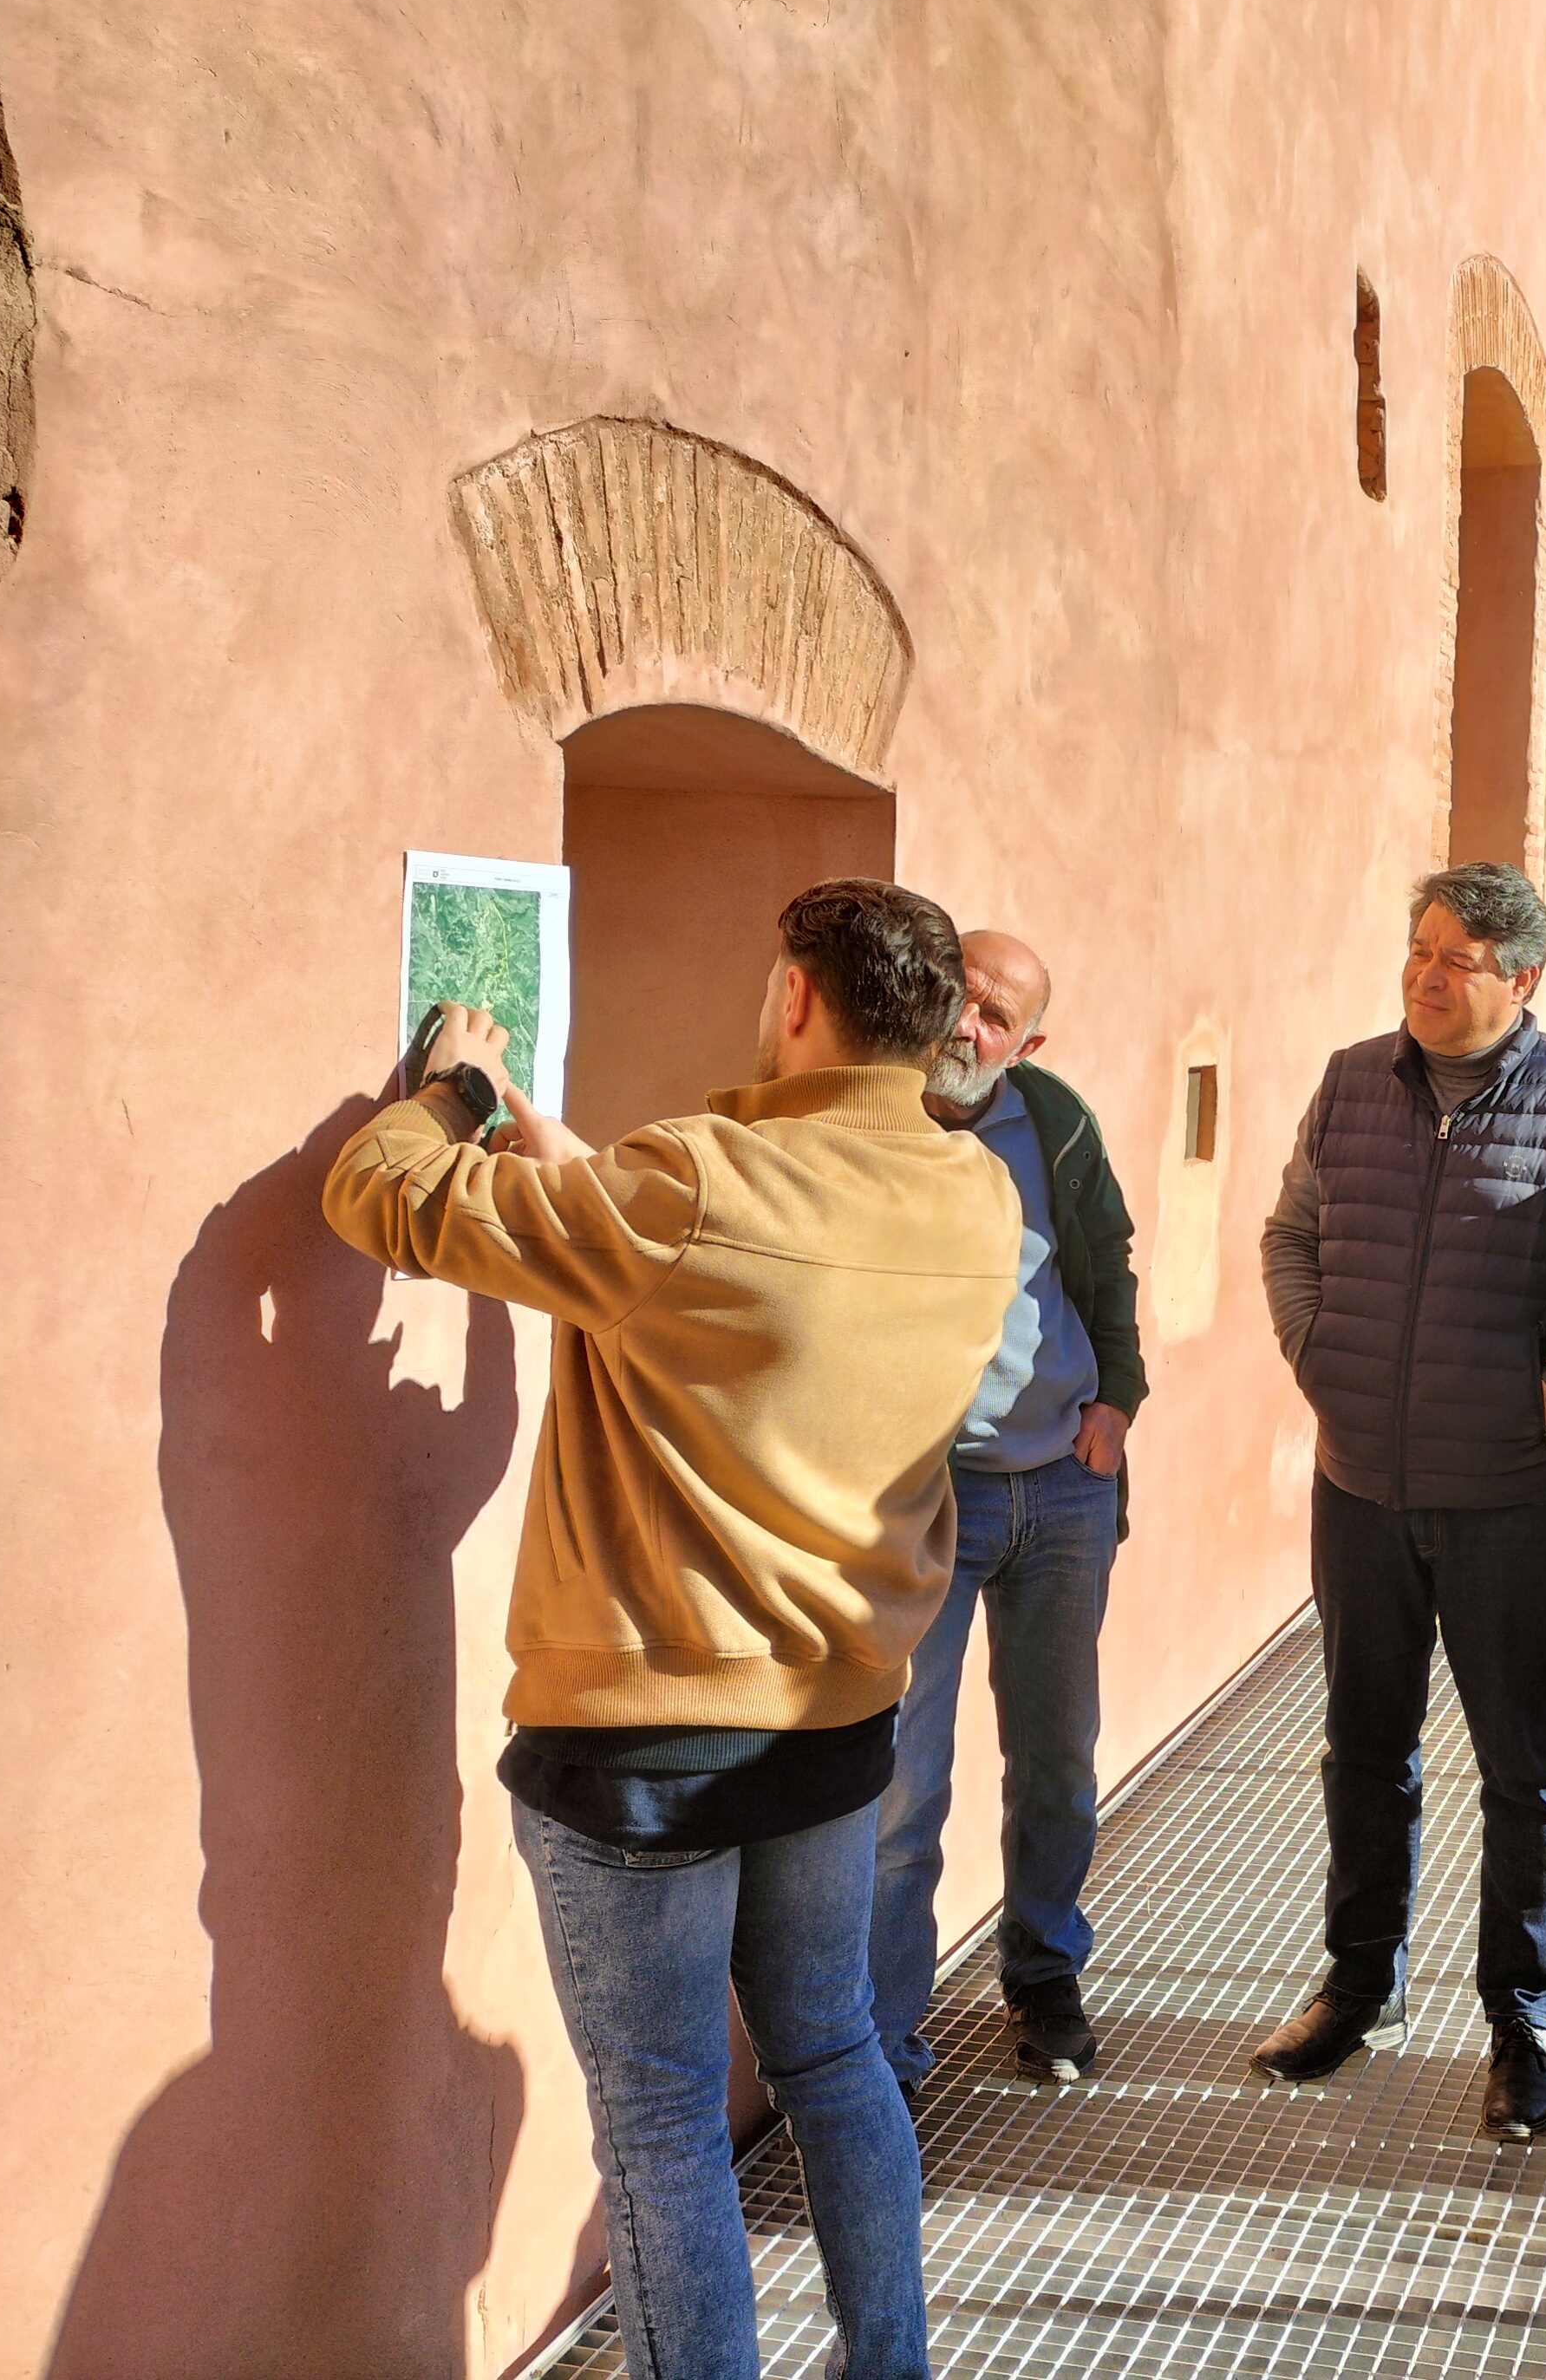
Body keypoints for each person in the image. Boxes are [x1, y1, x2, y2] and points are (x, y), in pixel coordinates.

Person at [321, 879, 1021, 2380]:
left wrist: (457, 1089)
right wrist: (554, 1143)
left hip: (643, 1747)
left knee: (661, 2126)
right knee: (835, 2059)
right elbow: (702, 1250)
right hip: (833, 1724)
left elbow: (376, 1194)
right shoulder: (974, 1193)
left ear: (795, 997)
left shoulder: (693, 1185)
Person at [1250, 862, 1546, 2142]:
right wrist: (1316, 1354)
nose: (1426, 976)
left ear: (1521, 978)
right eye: (1419, 950)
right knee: (1364, 1750)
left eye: (1457, 958)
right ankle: (1358, 1987)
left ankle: (1520, 2026)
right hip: (1361, 1488)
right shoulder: (1350, 1082)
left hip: (1511, 1499)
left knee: (1522, 1770)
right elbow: (1290, 1235)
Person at [870, 931, 1147, 2103]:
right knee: (902, 1785)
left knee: (1057, 1763)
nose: (967, 1026)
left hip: (1065, 1488)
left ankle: (1043, 1979)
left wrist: (1119, 1399)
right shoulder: (871, 1118)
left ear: (1027, 1044)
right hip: (925, 1500)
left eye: (997, 1016)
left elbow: (1107, 1262)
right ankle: (883, 2042)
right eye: (959, 996)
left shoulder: (1055, 1118)